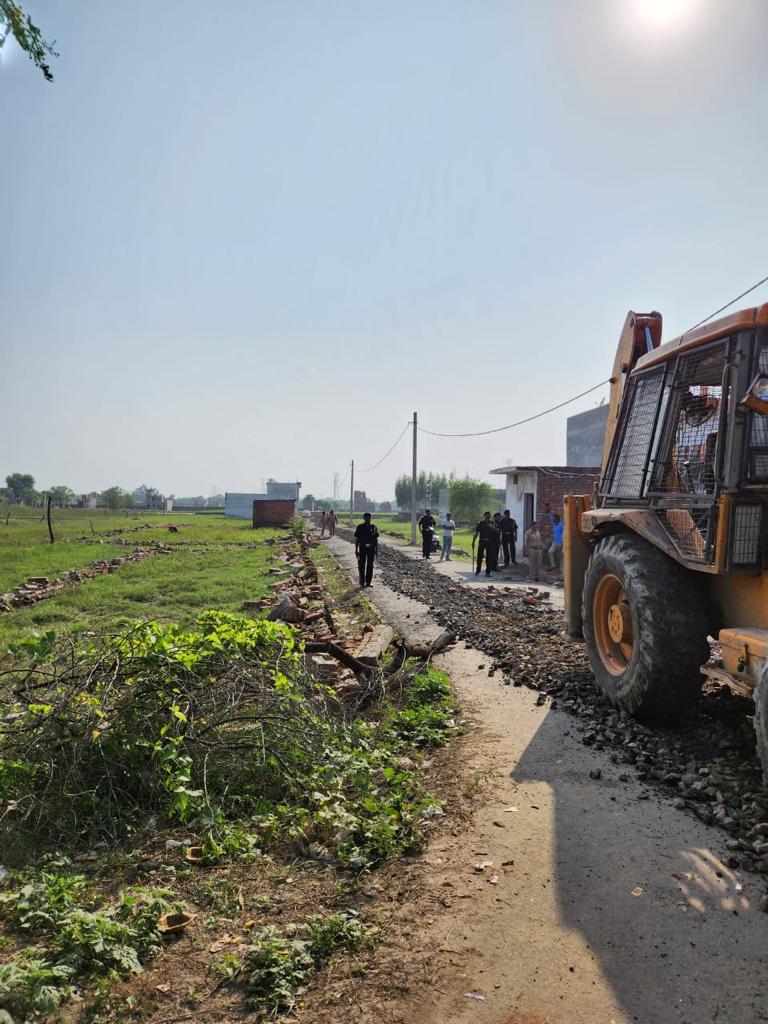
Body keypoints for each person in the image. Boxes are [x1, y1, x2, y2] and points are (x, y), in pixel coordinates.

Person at [354, 512, 379, 587]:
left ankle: (368, 582)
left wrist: (377, 550)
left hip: (371, 548)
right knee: (361, 565)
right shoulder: (360, 527)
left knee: (370, 565)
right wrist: (356, 550)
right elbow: (357, 539)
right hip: (362, 548)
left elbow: (376, 540)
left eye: (369, 518)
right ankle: (362, 582)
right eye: (366, 517)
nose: (368, 519)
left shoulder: (374, 527)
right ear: (364, 518)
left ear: (371, 518)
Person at [473, 511, 499, 577]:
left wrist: (491, 526)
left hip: (489, 542)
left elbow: (497, 531)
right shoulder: (480, 523)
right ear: (484, 516)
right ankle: (478, 570)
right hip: (482, 541)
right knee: (479, 557)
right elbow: (476, 533)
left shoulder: (492, 523)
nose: (488, 517)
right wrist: (473, 542)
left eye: (489, 516)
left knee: (489, 557)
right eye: (487, 516)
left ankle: (488, 572)